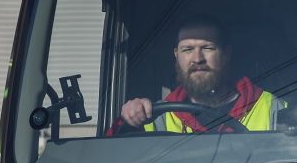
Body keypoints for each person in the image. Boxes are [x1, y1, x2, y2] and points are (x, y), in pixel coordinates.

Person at [107, 16, 284, 134]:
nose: (197, 59)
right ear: (176, 55)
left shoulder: (271, 107)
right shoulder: (156, 115)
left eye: (207, 48)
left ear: (226, 54)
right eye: (188, 49)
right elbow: (113, 160)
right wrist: (129, 119)